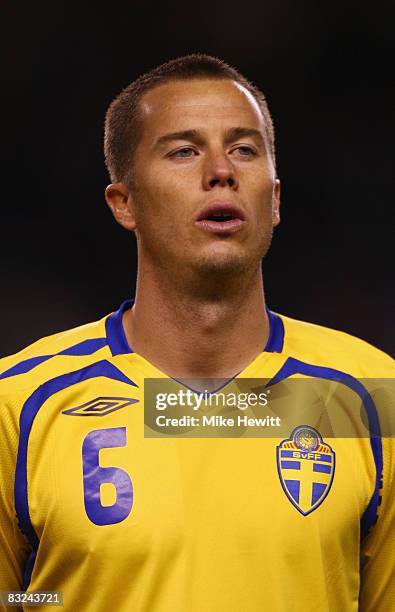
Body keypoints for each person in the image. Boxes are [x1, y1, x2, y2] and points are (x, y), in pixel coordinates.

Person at [0, 54, 394, 612]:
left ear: (275, 198)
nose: (221, 170)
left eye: (244, 149)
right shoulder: (19, 404)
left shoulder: (374, 394)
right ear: (124, 202)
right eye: (184, 150)